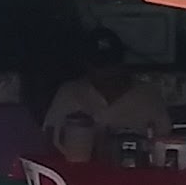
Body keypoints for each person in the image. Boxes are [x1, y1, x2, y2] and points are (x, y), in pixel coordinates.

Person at [42, 33, 172, 152]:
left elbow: (166, 141)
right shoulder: (69, 92)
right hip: (80, 171)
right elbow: (49, 137)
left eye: (112, 64)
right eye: (100, 65)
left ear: (122, 62)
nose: (107, 71)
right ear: (87, 64)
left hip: (136, 171)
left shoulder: (148, 95)